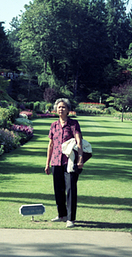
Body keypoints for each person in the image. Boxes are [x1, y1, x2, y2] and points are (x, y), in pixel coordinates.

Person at [45, 98, 84, 228]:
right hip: (56, 161)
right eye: (59, 107)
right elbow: (50, 144)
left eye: (63, 107)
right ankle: (62, 215)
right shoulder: (53, 125)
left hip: (70, 162)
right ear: (56, 109)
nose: (61, 109)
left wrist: (80, 159)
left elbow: (79, 142)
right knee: (58, 189)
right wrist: (47, 163)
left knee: (71, 189)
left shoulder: (73, 124)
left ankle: (70, 218)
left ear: (68, 110)